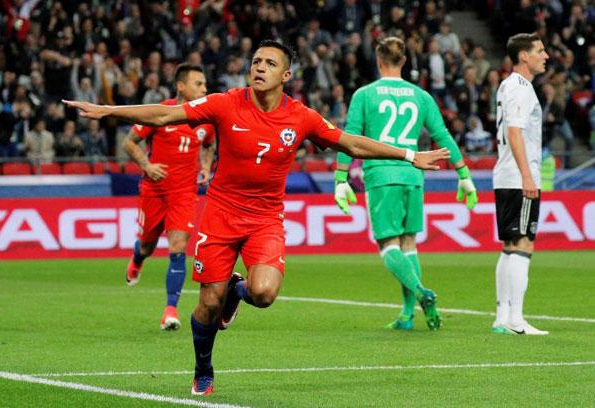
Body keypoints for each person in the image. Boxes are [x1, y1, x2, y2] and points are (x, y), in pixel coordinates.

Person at [63, 39, 450, 396]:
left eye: (269, 63)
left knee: (263, 293)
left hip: (265, 218)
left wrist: (409, 154)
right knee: (208, 304)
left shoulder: (300, 117)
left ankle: (238, 291)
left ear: (286, 75)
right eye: (255, 61)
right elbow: (166, 115)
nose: (259, 67)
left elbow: (349, 142)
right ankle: (203, 367)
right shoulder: (224, 103)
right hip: (219, 214)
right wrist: (110, 111)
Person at [333, 37, 478, 332]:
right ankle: (407, 315)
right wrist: (464, 174)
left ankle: (422, 293)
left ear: (378, 60)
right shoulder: (421, 96)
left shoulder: (365, 94)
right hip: (413, 175)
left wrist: (340, 177)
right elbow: (443, 136)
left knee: (388, 245)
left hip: (382, 175)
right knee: (409, 244)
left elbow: (350, 136)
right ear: (404, 61)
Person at [122, 63, 215, 331]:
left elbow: (209, 145)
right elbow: (128, 142)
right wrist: (147, 166)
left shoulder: (204, 120)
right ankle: (139, 258)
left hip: (184, 192)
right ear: (181, 86)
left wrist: (206, 167)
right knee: (148, 245)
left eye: (205, 85)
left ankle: (170, 310)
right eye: (199, 84)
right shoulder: (159, 112)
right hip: (154, 190)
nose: (204, 89)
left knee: (178, 246)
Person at [491, 33, 549, 336]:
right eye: (540, 51)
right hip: (518, 176)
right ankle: (516, 318)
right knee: (524, 242)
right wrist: (528, 175)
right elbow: (514, 132)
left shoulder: (508, 85)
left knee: (510, 245)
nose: (546, 56)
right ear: (524, 56)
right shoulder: (521, 88)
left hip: (507, 175)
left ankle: (503, 316)